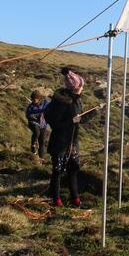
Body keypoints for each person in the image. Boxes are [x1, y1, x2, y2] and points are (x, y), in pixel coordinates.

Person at [43, 68, 96, 208]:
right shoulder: (61, 102)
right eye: (80, 86)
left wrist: (94, 111)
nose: (82, 88)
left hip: (72, 143)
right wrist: (71, 121)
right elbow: (56, 123)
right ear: (75, 87)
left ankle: (76, 201)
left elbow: (79, 119)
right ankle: (57, 201)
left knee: (73, 171)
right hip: (60, 143)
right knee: (58, 172)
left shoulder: (76, 100)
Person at [25, 91, 50, 159]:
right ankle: (33, 145)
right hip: (34, 122)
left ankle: (41, 159)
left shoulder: (46, 103)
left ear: (39, 98)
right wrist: (36, 117)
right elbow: (28, 115)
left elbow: (51, 108)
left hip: (43, 124)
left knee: (42, 142)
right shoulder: (31, 106)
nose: (33, 100)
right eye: (32, 99)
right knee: (37, 132)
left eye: (34, 99)